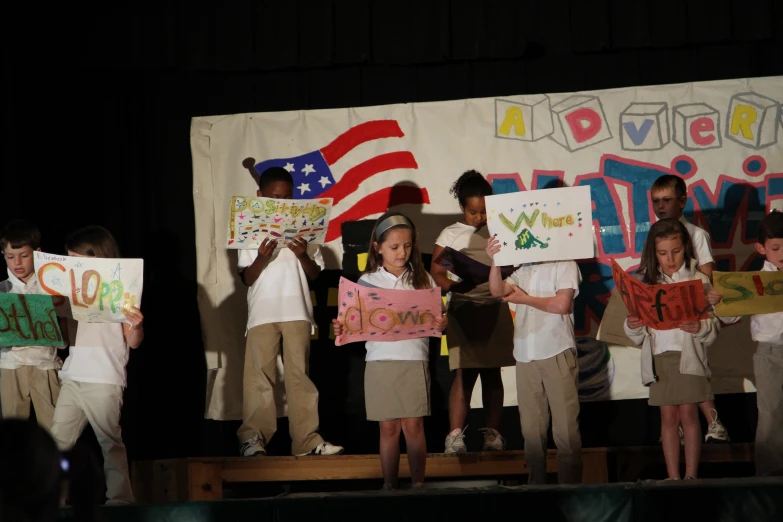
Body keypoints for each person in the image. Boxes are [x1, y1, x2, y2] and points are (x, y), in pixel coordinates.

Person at [334, 212, 447, 490]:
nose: (401, 252)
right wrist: (341, 327)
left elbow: (437, 322)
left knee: (413, 426)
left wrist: (442, 323)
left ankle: (418, 483)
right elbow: (352, 323)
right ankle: (389, 485)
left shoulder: (423, 280)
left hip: (413, 359)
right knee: (388, 427)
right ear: (377, 247)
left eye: (407, 246)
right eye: (394, 247)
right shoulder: (368, 282)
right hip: (380, 361)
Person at [237, 166, 343, 457]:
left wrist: (302, 254)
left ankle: (306, 440)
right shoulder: (250, 227)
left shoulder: (303, 228)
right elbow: (246, 277)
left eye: (287, 197)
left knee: (300, 376)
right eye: (275, 197)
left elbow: (314, 275)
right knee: (260, 377)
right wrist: (262, 256)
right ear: (260, 196)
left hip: (297, 309)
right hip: (263, 311)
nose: (281, 204)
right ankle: (253, 438)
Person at [49, 226, 143, 504]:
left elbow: (134, 342)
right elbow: (64, 340)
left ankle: (121, 499)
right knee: (57, 443)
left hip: (104, 378)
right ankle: (54, 499)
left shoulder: (121, 289)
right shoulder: (69, 292)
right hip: (73, 377)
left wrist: (137, 325)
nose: (72, 268)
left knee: (109, 442)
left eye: (77, 260)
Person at [624, 218, 720, 480]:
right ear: (653, 253)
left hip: (688, 356)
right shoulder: (646, 282)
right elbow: (637, 332)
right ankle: (673, 476)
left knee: (688, 413)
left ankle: (691, 475)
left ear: (686, 248)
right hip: (660, 357)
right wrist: (633, 324)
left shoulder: (699, 279)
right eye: (663, 253)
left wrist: (699, 327)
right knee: (668, 417)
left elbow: (714, 326)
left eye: (676, 251)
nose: (670, 259)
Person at [487, 235, 583, 484]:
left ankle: (569, 489)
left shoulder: (565, 263)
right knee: (531, 428)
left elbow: (562, 304)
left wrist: (524, 299)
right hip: (525, 354)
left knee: (565, 429)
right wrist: (495, 261)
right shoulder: (524, 267)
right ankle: (536, 486)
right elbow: (497, 290)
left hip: (557, 350)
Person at [431, 170, 514, 454]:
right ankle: (455, 436)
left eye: (484, 211)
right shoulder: (451, 233)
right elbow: (437, 273)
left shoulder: (501, 230)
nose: (479, 218)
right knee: (464, 373)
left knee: (493, 373)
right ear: (462, 209)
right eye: (472, 212)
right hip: (463, 308)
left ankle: (493, 434)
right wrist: (455, 285)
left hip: (494, 306)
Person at [650, 174, 729, 443]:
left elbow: (706, 277)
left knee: (695, 372)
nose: (661, 206)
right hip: (666, 322)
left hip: (694, 317)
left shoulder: (696, 235)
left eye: (667, 200)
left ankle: (713, 422)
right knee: (677, 376)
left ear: (682, 201)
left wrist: (697, 303)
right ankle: (688, 427)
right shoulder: (655, 234)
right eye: (656, 201)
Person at [708, 211, 783, 476]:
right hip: (770, 353)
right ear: (762, 249)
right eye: (776, 248)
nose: (782, 253)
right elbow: (734, 312)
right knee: (771, 416)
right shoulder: (756, 280)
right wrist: (718, 302)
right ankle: (769, 479)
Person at [0, 220, 66, 433]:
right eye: (10, 257)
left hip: (44, 365)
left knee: (55, 431)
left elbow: (64, 332)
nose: (17, 262)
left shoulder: (51, 287)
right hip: (11, 367)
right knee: (12, 436)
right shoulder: (2, 291)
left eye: (24, 256)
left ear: (37, 253)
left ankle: (57, 467)